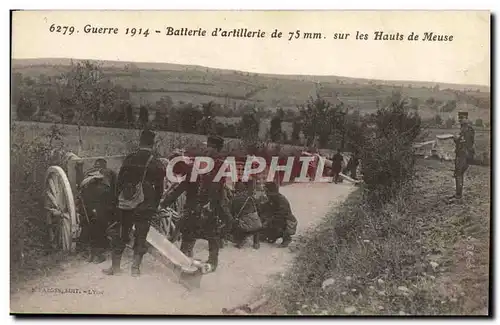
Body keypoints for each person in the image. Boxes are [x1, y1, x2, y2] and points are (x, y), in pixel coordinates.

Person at [160, 135, 232, 272]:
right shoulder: (198, 165)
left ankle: (212, 261)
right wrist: (166, 202)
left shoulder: (220, 166)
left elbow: (218, 187)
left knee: (212, 234)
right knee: (189, 233)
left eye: (210, 147)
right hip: (195, 206)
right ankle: (184, 260)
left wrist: (213, 204)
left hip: (208, 206)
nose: (207, 150)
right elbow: (183, 185)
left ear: (217, 149)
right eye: (207, 147)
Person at [102, 130, 166, 277]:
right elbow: (160, 188)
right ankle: (135, 269)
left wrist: (120, 199)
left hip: (128, 204)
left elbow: (119, 182)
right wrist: (154, 206)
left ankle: (115, 268)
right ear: (153, 144)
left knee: (122, 234)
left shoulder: (130, 158)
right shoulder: (156, 162)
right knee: (141, 236)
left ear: (140, 142)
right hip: (146, 205)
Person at [78, 159, 117, 264]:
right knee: (99, 225)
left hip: (88, 207)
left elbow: (80, 193)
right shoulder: (108, 174)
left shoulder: (87, 176)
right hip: (101, 206)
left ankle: (91, 253)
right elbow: (114, 191)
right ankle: (98, 254)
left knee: (90, 225)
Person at [260, 182, 298, 248]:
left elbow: (281, 215)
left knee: (277, 222)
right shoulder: (271, 198)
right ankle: (271, 236)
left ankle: (286, 238)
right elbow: (264, 210)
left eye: (266, 190)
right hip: (276, 220)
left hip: (286, 221)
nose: (265, 192)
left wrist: (268, 221)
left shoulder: (281, 200)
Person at [449, 112, 475, 201]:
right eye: (459, 118)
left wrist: (456, 138)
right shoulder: (465, 128)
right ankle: (458, 194)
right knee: (458, 174)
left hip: (463, 154)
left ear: (466, 118)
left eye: (462, 118)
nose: (459, 119)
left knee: (458, 174)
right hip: (462, 153)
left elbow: (465, 142)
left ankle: (458, 195)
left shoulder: (467, 129)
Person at [231, 181, 262, 249]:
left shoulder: (234, 199)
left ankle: (240, 241)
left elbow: (232, 213)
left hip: (245, 223)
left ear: (236, 190)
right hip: (256, 223)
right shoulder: (251, 198)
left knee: (238, 223)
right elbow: (259, 208)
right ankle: (256, 242)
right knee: (255, 225)